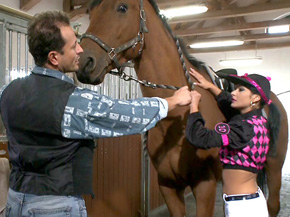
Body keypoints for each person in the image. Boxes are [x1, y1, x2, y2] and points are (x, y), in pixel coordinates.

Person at [0, 11, 192, 217]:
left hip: (15, 201)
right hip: (54, 206)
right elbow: (127, 114)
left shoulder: (8, 91)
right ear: (54, 57)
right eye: (74, 46)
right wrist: (173, 101)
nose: (81, 50)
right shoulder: (73, 102)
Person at [186, 68, 281, 217]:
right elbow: (228, 103)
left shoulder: (243, 128)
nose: (233, 93)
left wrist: (193, 106)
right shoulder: (258, 121)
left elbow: (200, 138)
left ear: (255, 98)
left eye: (240, 90)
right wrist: (210, 86)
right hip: (247, 202)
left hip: (243, 208)